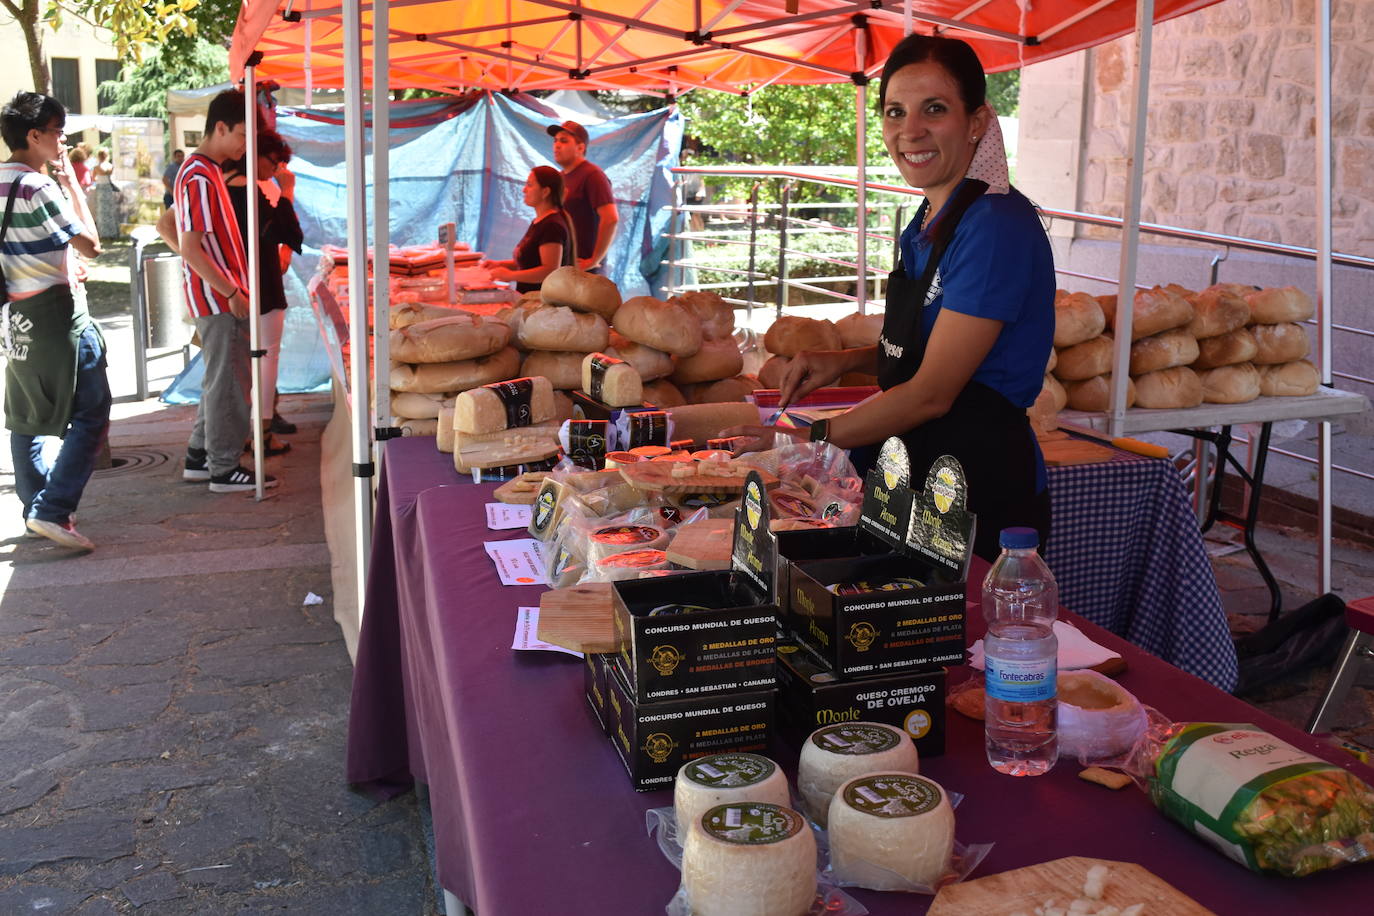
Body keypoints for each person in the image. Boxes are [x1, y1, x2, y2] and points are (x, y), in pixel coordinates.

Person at [723, 33, 1055, 561]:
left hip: (975, 477)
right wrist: (844, 361)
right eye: (895, 112)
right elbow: (926, 344)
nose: (910, 131)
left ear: (976, 122)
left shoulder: (996, 226)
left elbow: (932, 392)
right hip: (915, 460)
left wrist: (801, 436)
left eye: (935, 109)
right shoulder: (929, 220)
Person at [0, 91, 111, 551]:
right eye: (57, 132)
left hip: (16, 313)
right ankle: (52, 508)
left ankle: (36, 509)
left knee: (27, 412)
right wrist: (72, 185)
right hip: (57, 315)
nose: (62, 140)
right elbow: (91, 244)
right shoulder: (37, 185)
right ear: (35, 135)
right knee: (91, 410)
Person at [155, 89, 277, 493]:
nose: (245, 145)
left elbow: (168, 229)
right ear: (220, 127)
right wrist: (228, 290)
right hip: (220, 299)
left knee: (219, 378)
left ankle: (199, 456)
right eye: (242, 135)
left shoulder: (201, 171)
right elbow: (190, 245)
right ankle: (223, 468)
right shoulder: (200, 175)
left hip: (215, 295)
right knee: (229, 383)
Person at [220, 130, 303, 447]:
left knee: (248, 363)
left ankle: (255, 433)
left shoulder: (224, 182)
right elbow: (284, 230)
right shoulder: (243, 189)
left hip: (239, 283)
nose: (278, 168)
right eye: (275, 161)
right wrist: (288, 190)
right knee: (266, 358)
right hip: (259, 284)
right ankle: (262, 434)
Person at [480, 166, 571, 293]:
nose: (524, 190)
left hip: (541, 304)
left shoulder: (552, 226)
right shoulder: (539, 221)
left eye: (529, 185)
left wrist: (509, 275)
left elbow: (549, 271)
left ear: (545, 192)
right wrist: (500, 264)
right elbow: (529, 262)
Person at [546, 120, 617, 273]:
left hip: (584, 271)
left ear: (580, 147)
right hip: (563, 267)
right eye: (555, 141)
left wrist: (594, 260)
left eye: (564, 141)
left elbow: (610, 218)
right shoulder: (560, 178)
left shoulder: (592, 175)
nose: (557, 145)